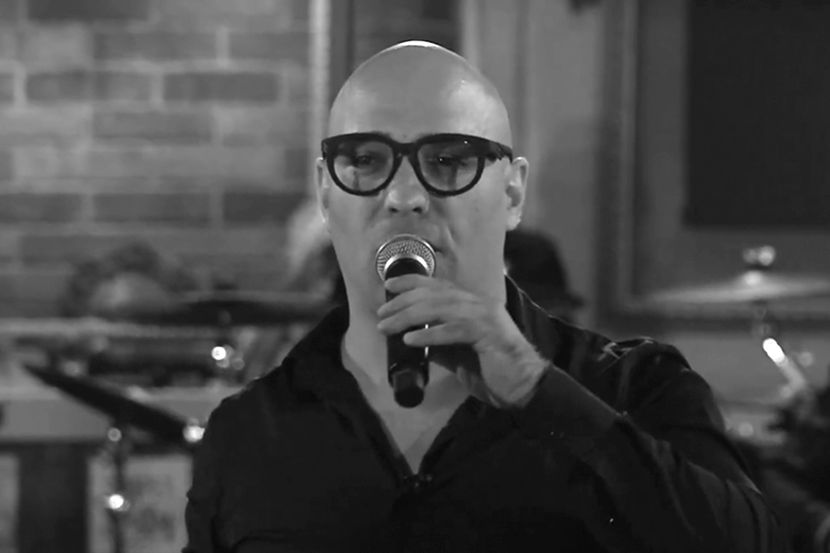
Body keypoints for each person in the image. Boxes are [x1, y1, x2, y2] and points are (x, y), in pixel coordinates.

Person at [183, 40, 785, 552]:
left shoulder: (638, 388)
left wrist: (539, 392)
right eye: (365, 161)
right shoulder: (249, 432)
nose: (405, 197)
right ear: (324, 192)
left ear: (513, 194)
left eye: (448, 160)